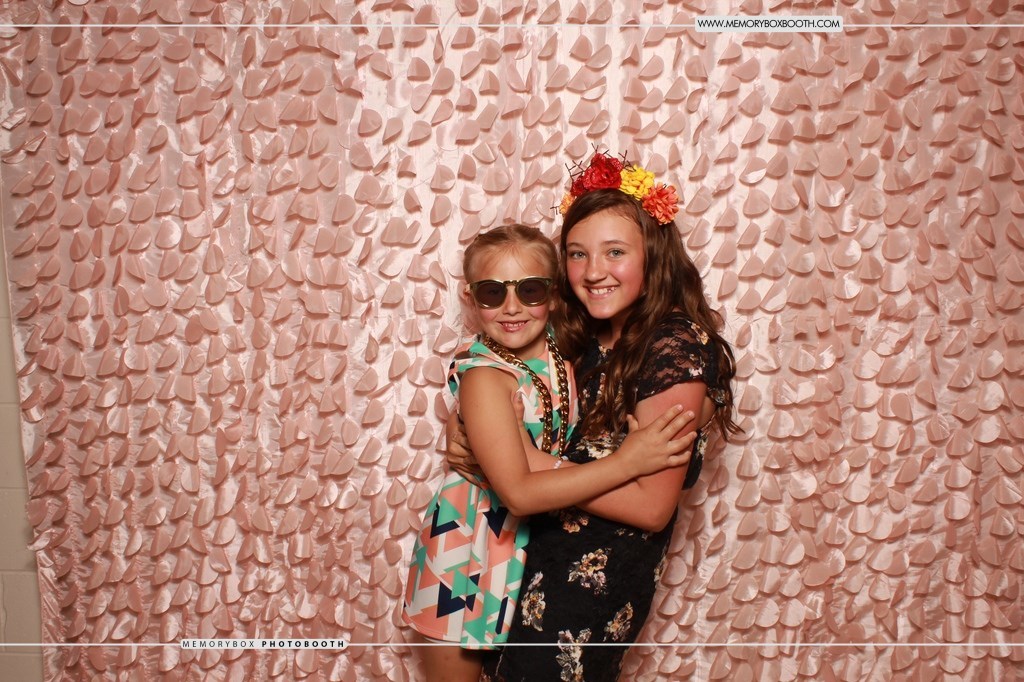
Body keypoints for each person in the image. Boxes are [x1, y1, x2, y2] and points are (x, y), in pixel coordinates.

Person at [451, 153, 740, 681]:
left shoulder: (674, 347)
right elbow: (501, 377)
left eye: (615, 252)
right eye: (578, 254)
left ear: (653, 257)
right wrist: (470, 429)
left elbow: (652, 507)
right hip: (519, 574)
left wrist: (530, 461)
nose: (594, 271)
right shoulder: (582, 334)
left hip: (583, 602)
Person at [403, 223, 699, 682]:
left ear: (554, 294)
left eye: (530, 290)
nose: (512, 306)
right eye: (492, 292)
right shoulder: (485, 375)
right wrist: (627, 462)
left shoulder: (564, 350)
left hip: (522, 552)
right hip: (464, 553)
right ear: (470, 297)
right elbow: (520, 494)